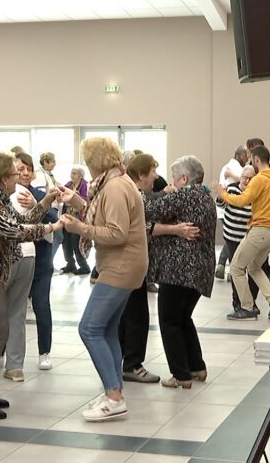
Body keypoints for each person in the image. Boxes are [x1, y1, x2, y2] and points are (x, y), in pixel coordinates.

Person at [56, 137, 147, 421]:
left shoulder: (116, 186)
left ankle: (114, 396)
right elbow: (102, 211)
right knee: (107, 329)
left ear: (94, 161)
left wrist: (81, 227)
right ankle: (114, 388)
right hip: (122, 265)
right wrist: (77, 201)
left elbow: (116, 232)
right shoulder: (112, 182)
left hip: (121, 265)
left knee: (89, 328)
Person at [0, 152, 60, 420]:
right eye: (13, 173)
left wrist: (46, 201)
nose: (18, 177)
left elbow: (21, 221)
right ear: (2, 178)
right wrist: (50, 227)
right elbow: (13, 231)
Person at [143, 155, 215, 388]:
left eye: (174, 178)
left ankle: (181, 375)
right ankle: (197, 367)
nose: (170, 182)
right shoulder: (206, 197)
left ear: (184, 178)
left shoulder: (183, 195)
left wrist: (150, 192)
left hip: (177, 269)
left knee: (169, 321)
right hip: (200, 269)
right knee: (183, 318)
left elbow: (147, 210)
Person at [6, 152, 59, 378]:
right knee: (8, 310)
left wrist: (38, 204)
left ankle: (44, 351)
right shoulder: (6, 196)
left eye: (28, 169)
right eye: (20, 169)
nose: (25, 173)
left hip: (40, 261)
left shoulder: (39, 194)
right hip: (14, 260)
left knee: (41, 305)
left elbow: (54, 219)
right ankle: (2, 357)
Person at [218, 145, 270, 320]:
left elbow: (242, 200)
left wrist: (222, 194)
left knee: (236, 267)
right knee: (254, 267)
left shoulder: (260, 179)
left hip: (260, 229)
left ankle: (247, 307)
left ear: (256, 160)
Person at [120, 153, 166, 385]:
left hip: (125, 264)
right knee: (137, 315)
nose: (156, 177)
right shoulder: (135, 195)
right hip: (131, 264)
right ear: (141, 175)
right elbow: (145, 225)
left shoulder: (128, 192)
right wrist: (176, 229)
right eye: (153, 172)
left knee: (126, 315)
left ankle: (124, 360)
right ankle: (132, 364)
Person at [222, 166, 270, 312]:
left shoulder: (256, 192)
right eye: (244, 177)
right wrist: (222, 195)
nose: (246, 180)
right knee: (237, 270)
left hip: (250, 238)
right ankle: (239, 303)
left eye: (250, 178)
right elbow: (221, 202)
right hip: (232, 237)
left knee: (252, 269)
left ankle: (251, 303)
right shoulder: (232, 189)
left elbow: (247, 204)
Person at [215, 146, 250, 278]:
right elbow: (244, 180)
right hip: (232, 210)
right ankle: (231, 270)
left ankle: (223, 265)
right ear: (241, 156)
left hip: (224, 209)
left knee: (230, 239)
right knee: (234, 241)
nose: (247, 158)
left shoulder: (226, 167)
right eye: (246, 155)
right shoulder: (238, 169)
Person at [60, 166, 91, 275]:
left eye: (75, 173)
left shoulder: (85, 185)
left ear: (81, 175)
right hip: (67, 217)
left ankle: (84, 266)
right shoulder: (68, 185)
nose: (72, 175)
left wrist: (75, 196)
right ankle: (70, 264)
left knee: (76, 244)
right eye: (71, 173)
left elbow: (86, 201)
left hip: (78, 219)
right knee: (66, 243)